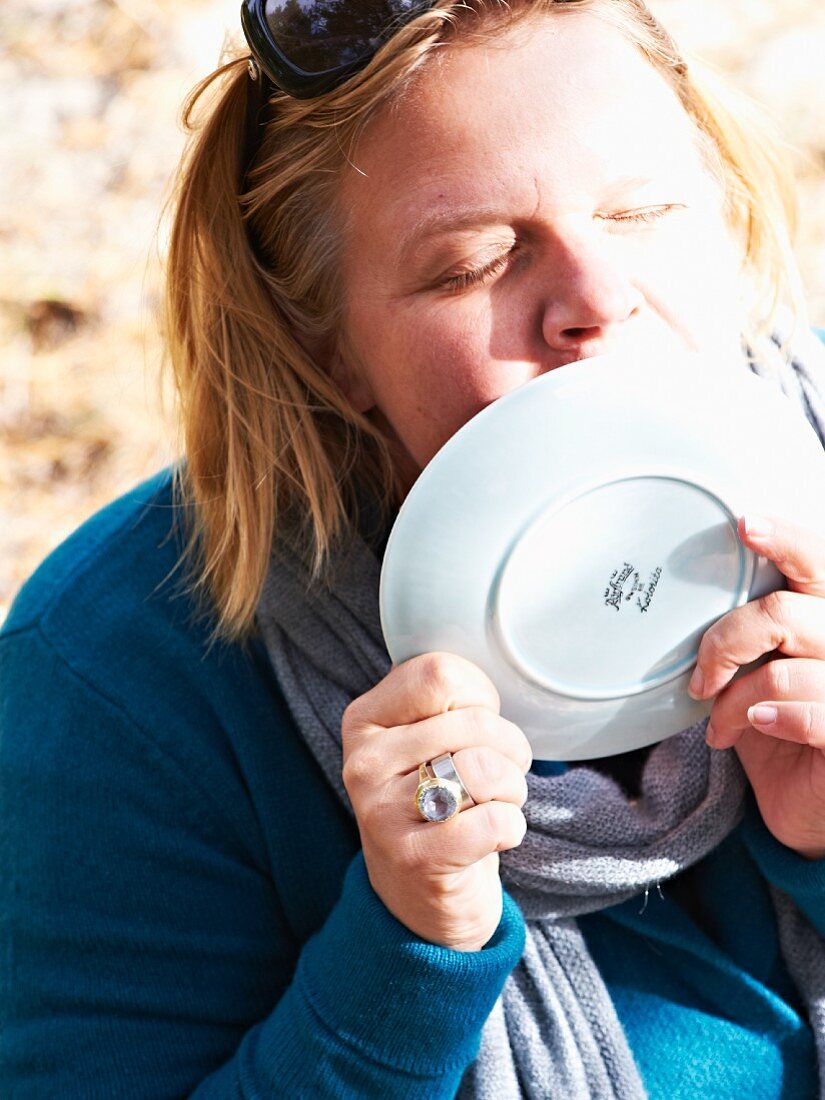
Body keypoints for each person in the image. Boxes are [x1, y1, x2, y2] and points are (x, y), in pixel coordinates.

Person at [2, 0, 825, 1096]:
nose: (598, 297)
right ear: (324, 345)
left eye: (644, 210)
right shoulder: (119, 677)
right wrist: (406, 954)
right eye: (477, 260)